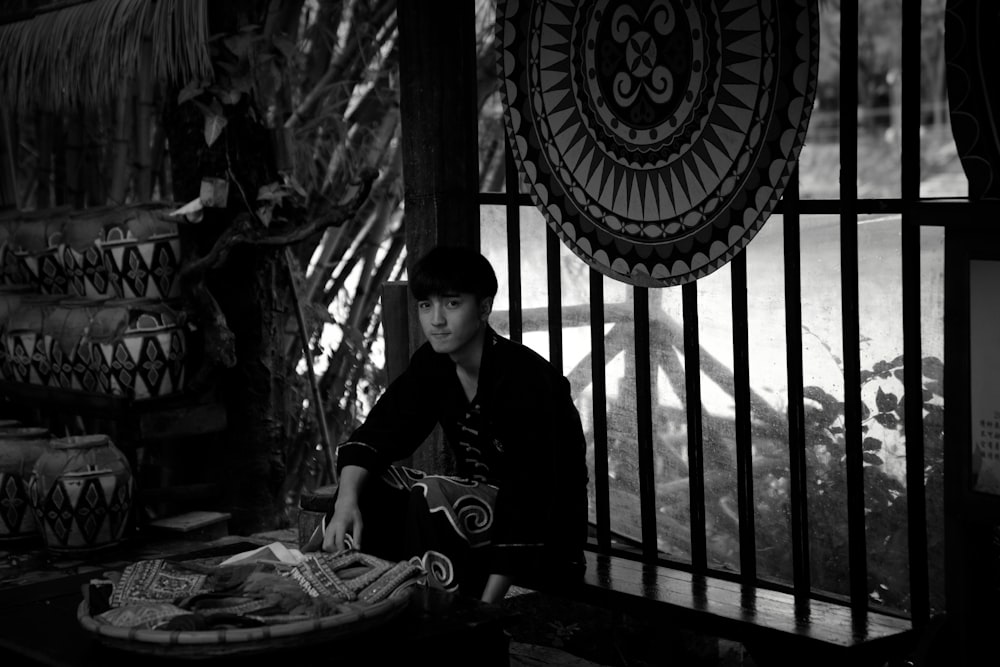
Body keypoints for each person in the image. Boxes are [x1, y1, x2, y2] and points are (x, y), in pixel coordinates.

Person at [320, 245, 589, 603]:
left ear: (483, 307)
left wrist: (485, 609)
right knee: (373, 479)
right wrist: (346, 502)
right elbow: (381, 432)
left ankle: (443, 616)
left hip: (544, 537)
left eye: (451, 303)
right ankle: (370, 600)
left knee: (433, 494)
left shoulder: (526, 380)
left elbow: (532, 495)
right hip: (473, 517)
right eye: (425, 305)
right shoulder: (434, 364)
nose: (436, 320)